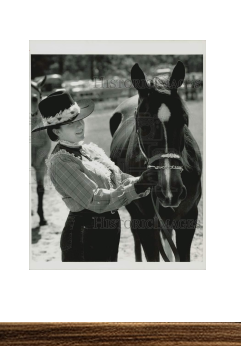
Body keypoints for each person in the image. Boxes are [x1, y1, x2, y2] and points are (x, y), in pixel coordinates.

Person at [32, 89, 158, 262]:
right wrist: (139, 186)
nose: (79, 125)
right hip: (84, 236)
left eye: (80, 120)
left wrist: (149, 179)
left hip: (108, 231)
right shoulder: (60, 162)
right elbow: (95, 200)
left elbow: (119, 178)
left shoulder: (89, 150)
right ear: (56, 131)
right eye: (70, 123)